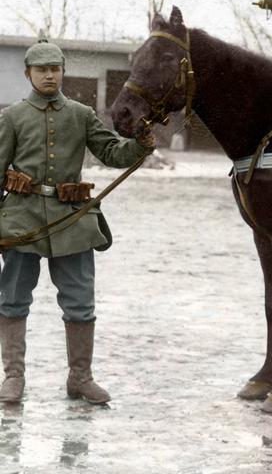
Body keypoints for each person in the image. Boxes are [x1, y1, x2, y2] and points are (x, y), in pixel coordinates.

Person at [0, 36, 155, 404]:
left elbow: (112, 152)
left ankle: (80, 378)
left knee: (80, 302)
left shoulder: (81, 115)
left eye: (55, 69)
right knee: (13, 299)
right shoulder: (11, 117)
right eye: (42, 70)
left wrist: (140, 145)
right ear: (28, 74)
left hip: (72, 221)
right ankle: (13, 378)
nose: (50, 76)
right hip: (22, 221)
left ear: (63, 72)